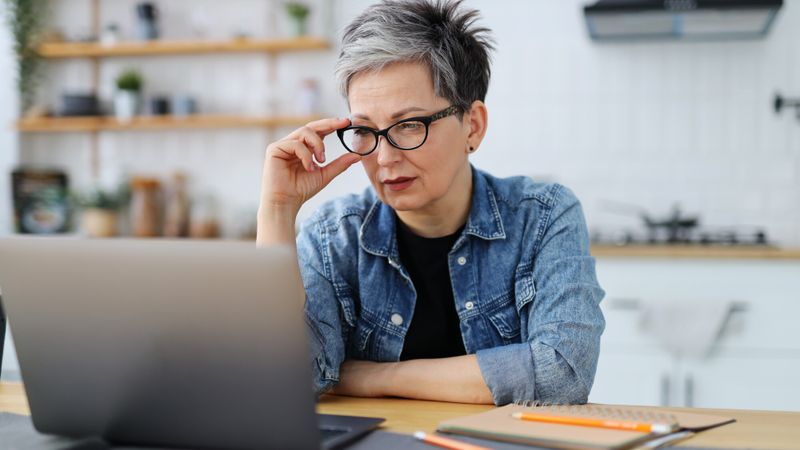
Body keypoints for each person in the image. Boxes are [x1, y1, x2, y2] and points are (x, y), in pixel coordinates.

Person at [257, 0, 605, 405]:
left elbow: (563, 375)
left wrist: (372, 377)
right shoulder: (335, 235)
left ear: (472, 126)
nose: (384, 158)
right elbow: (282, 380)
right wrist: (278, 210)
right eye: (365, 130)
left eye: (409, 125)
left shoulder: (543, 217)